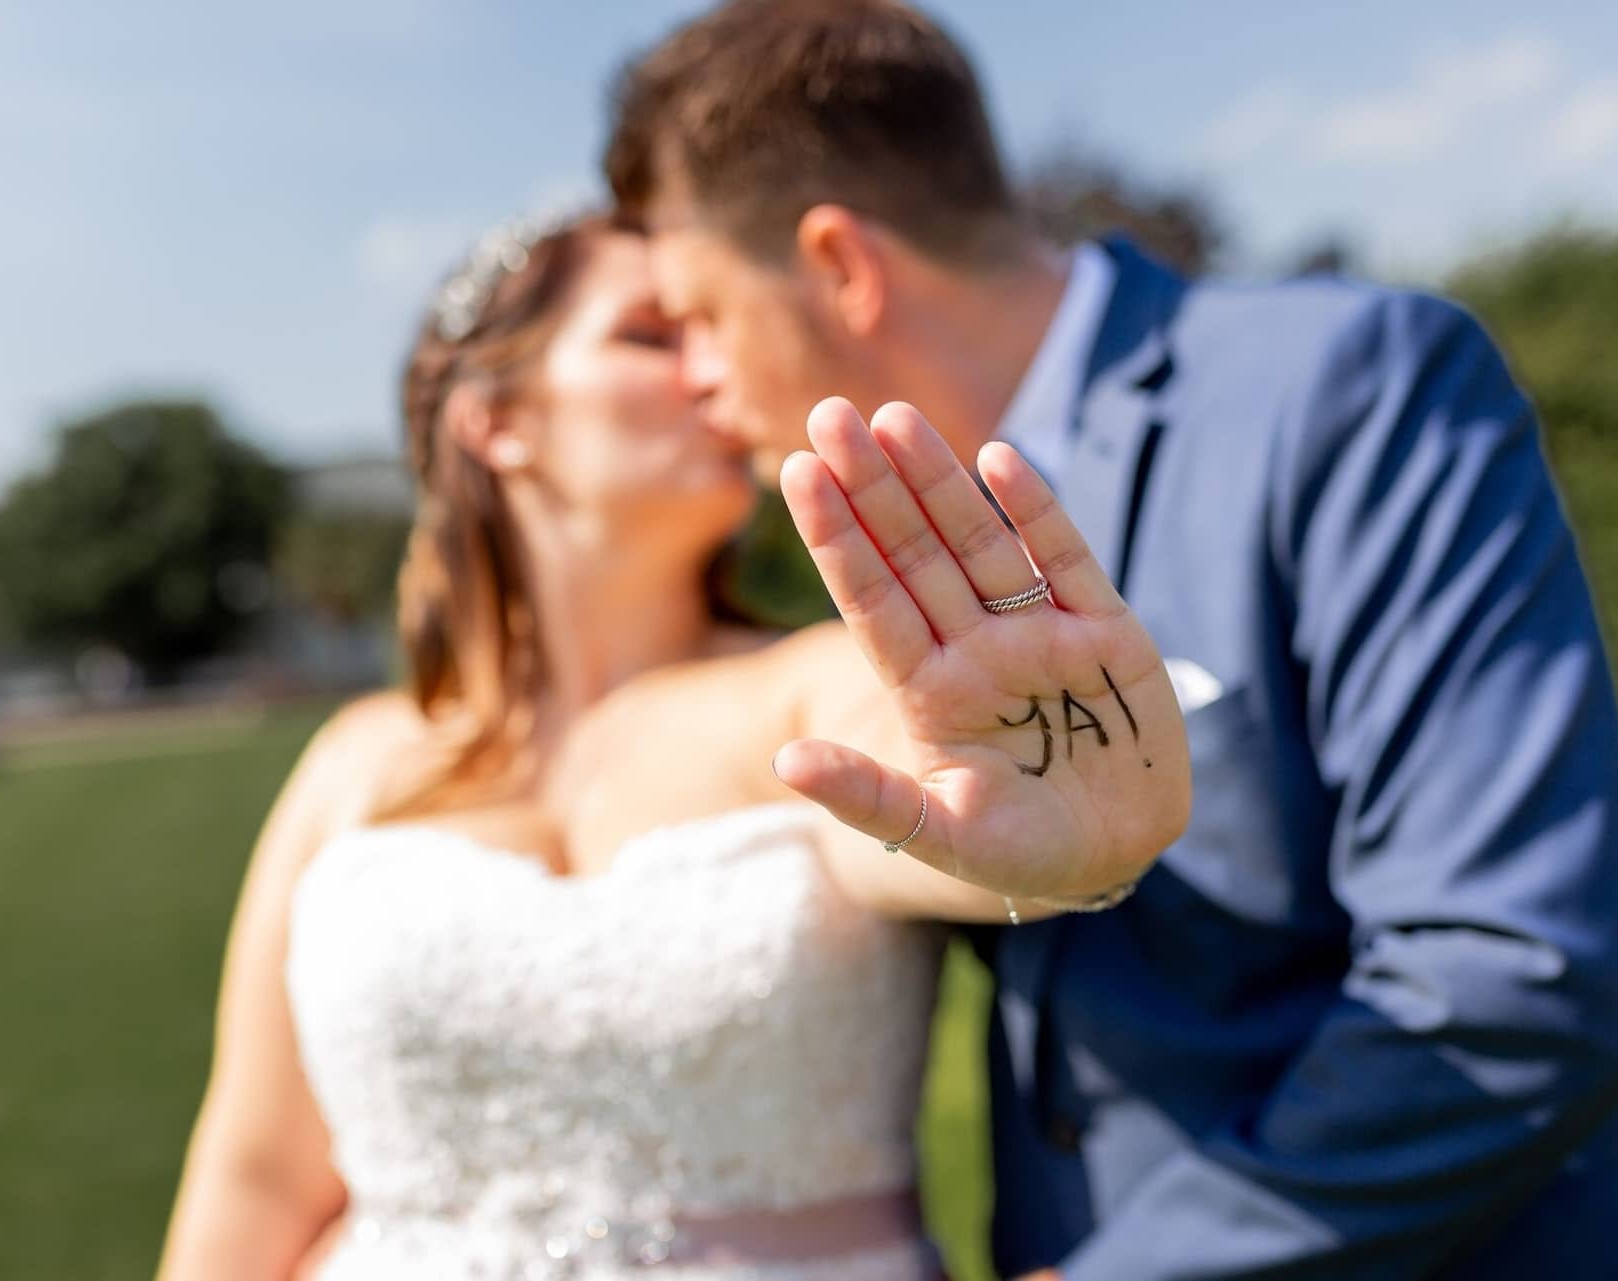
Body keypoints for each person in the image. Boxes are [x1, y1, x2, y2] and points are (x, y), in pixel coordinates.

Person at [601, 1, 1618, 1277]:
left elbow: (1509, 971)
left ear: (841, 266)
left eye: (696, 316)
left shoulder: (1352, 386)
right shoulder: (883, 570)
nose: (690, 377)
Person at [156, 211, 1189, 1278]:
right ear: (494, 420)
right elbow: (259, 1175)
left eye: (709, 325)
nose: (714, 366)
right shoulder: (353, 764)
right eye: (653, 336)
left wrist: (1080, 810)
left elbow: (961, 802)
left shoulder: (812, 687)